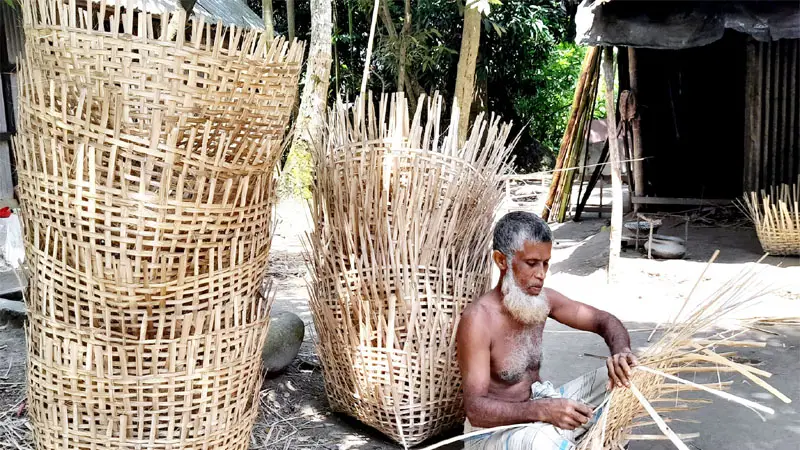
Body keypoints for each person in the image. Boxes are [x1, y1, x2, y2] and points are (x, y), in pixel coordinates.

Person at [457, 211, 638, 450]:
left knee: (629, 375)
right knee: (543, 442)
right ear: (502, 261)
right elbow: (477, 410)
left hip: (540, 402)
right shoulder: (478, 319)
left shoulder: (544, 299)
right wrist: (543, 411)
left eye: (545, 263)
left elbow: (604, 320)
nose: (541, 274)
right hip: (492, 432)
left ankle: (595, 441)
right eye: (531, 264)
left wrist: (621, 352)